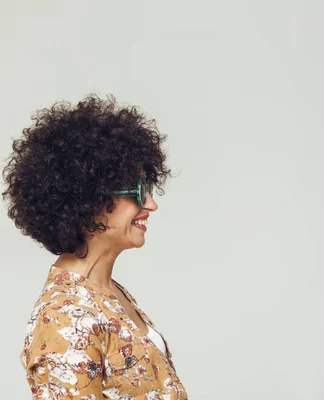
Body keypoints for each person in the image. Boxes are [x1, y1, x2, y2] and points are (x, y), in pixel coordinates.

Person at [3, 95, 187, 399]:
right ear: (89, 198)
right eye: (138, 191)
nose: (151, 204)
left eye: (149, 189)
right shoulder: (66, 317)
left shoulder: (107, 291)